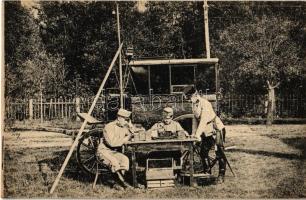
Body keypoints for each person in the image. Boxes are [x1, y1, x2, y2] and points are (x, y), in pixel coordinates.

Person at [189, 90, 227, 184]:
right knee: (203, 152)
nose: (189, 100)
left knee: (219, 153)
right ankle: (207, 172)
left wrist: (198, 135)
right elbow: (195, 119)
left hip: (216, 128)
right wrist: (194, 134)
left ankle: (221, 175)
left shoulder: (205, 104)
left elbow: (203, 121)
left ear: (196, 95)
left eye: (190, 97)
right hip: (206, 131)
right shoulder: (194, 104)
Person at [97, 108, 134, 190]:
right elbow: (112, 143)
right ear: (119, 118)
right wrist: (127, 138)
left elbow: (132, 134)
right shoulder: (109, 127)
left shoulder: (124, 126)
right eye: (126, 119)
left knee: (125, 159)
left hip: (113, 152)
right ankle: (123, 184)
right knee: (114, 162)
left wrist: (131, 128)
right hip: (104, 151)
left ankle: (118, 182)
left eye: (127, 120)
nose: (127, 122)